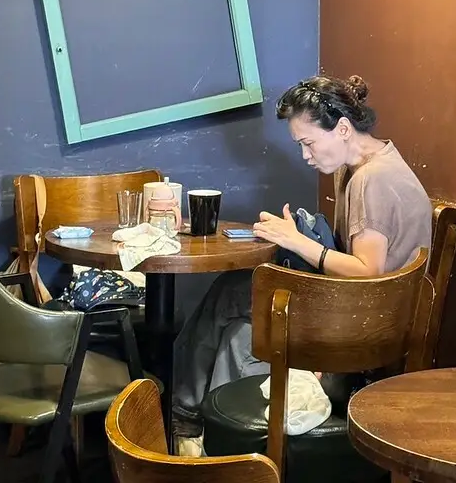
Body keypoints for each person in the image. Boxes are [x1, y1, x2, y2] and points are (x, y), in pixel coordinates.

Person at [172, 73, 432, 439]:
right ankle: (201, 427)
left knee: (232, 292)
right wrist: (302, 235)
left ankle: (185, 419)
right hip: (363, 311)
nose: (306, 156)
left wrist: (297, 242)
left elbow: (367, 271)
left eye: (308, 143)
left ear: (343, 128)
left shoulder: (373, 179)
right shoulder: (365, 165)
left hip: (366, 325)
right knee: (237, 321)